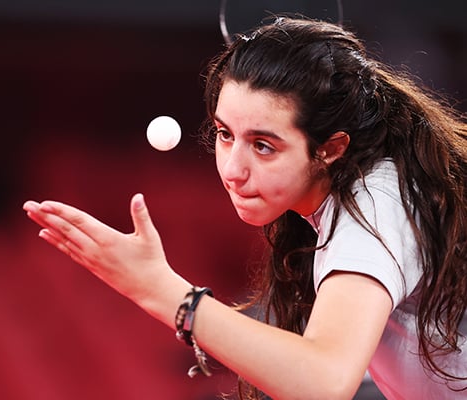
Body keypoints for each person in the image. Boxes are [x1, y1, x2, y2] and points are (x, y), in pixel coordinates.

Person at [23, 17, 467, 400]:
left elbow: (324, 382)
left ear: (331, 148)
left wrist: (164, 292)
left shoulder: (376, 204)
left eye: (263, 145)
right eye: (224, 134)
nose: (233, 170)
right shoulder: (360, 189)